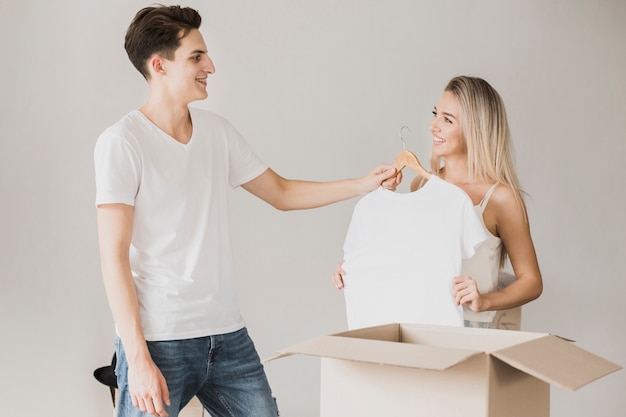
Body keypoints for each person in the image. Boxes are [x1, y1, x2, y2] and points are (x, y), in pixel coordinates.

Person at [94, 5, 399, 417]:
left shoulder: (217, 133)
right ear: (159, 65)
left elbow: (282, 192)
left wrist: (365, 184)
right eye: (196, 57)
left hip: (226, 335)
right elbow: (113, 257)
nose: (211, 66)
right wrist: (138, 358)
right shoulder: (122, 143)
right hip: (159, 339)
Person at [332, 75, 543, 328]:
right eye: (435, 114)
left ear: (475, 128)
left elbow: (532, 281)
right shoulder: (420, 185)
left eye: (447, 119)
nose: (434, 126)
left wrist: (484, 301)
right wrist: (357, 269)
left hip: (469, 331)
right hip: (420, 324)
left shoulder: (500, 198)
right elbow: (410, 261)